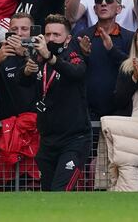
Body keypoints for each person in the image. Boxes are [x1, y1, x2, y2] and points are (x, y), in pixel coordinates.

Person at [19, 14, 90, 192]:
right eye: (48, 34)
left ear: (68, 38)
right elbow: (23, 85)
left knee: (61, 191)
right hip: (47, 140)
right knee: (47, 193)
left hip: (74, 140)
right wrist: (26, 72)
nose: (51, 38)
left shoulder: (73, 55)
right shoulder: (38, 58)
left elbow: (77, 72)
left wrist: (50, 57)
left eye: (56, 35)